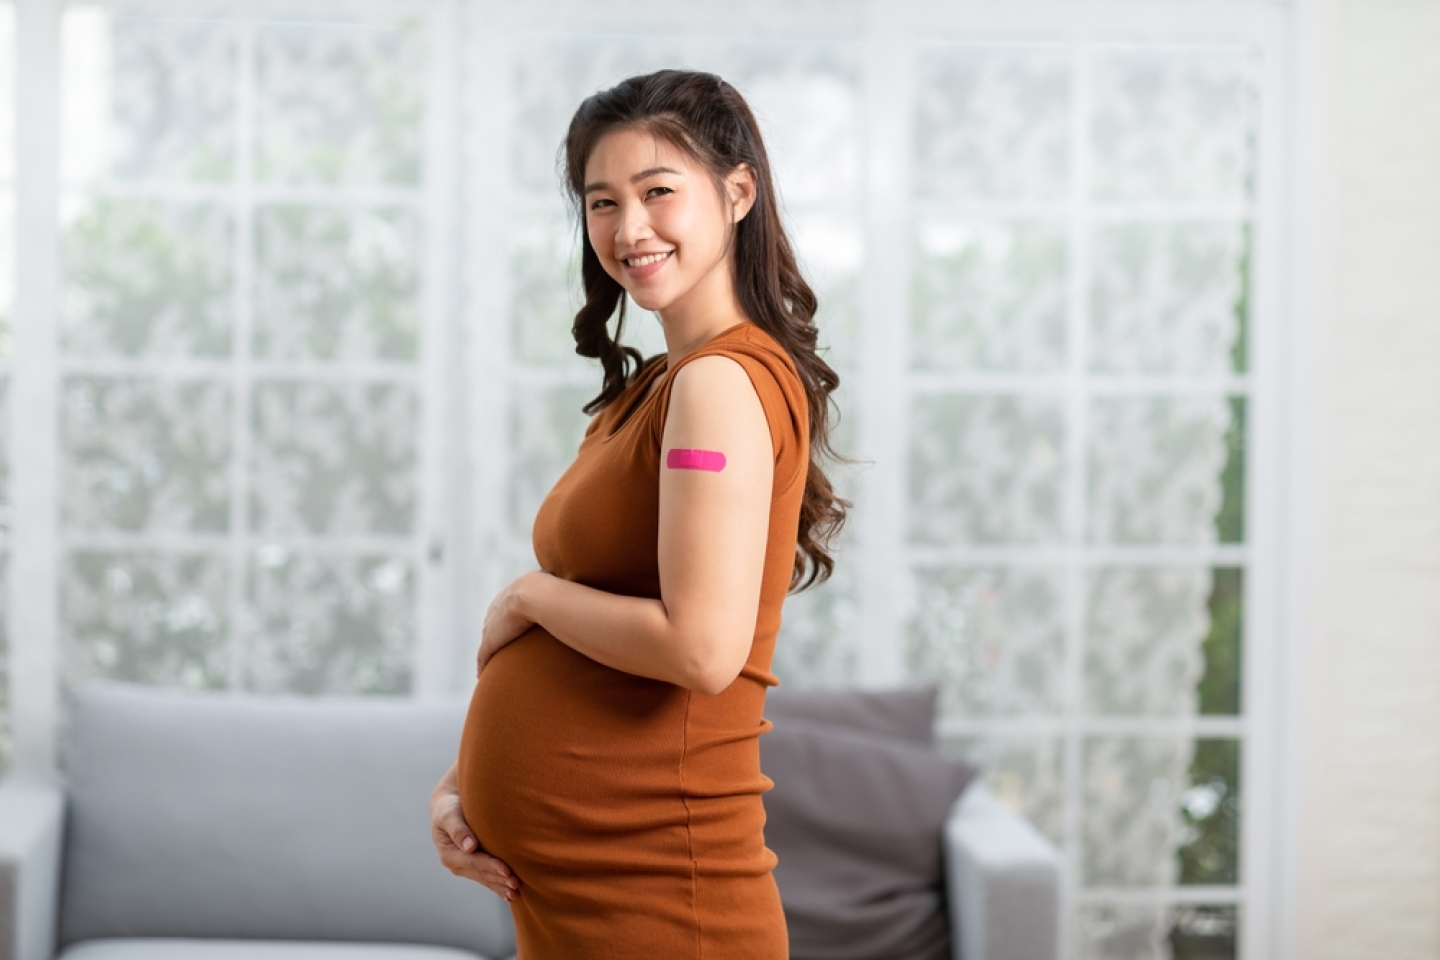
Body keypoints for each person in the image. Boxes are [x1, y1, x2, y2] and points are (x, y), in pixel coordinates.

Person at [428, 69, 847, 959]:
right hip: (598, 899)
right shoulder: (664, 384)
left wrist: (527, 599)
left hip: (660, 902)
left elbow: (699, 650)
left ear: (737, 192)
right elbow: (608, 634)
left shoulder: (719, 385)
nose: (630, 228)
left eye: (659, 191)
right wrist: (466, 782)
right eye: (602, 201)